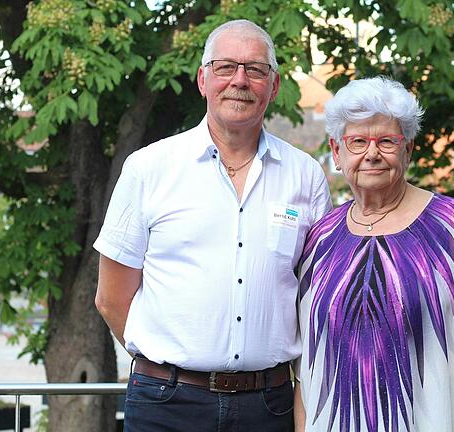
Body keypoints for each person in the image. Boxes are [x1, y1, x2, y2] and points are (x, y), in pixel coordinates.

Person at [94, 19, 332, 432]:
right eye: (226, 68)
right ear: (204, 79)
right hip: (166, 405)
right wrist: (164, 364)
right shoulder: (149, 168)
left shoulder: (305, 175)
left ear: (273, 87)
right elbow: (112, 298)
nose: (239, 80)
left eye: (255, 70)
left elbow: (317, 295)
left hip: (269, 406)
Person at [296, 76, 454, 432]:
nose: (372, 153)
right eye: (358, 141)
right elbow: (306, 371)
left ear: (408, 149)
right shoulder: (321, 238)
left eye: (387, 141)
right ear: (336, 151)